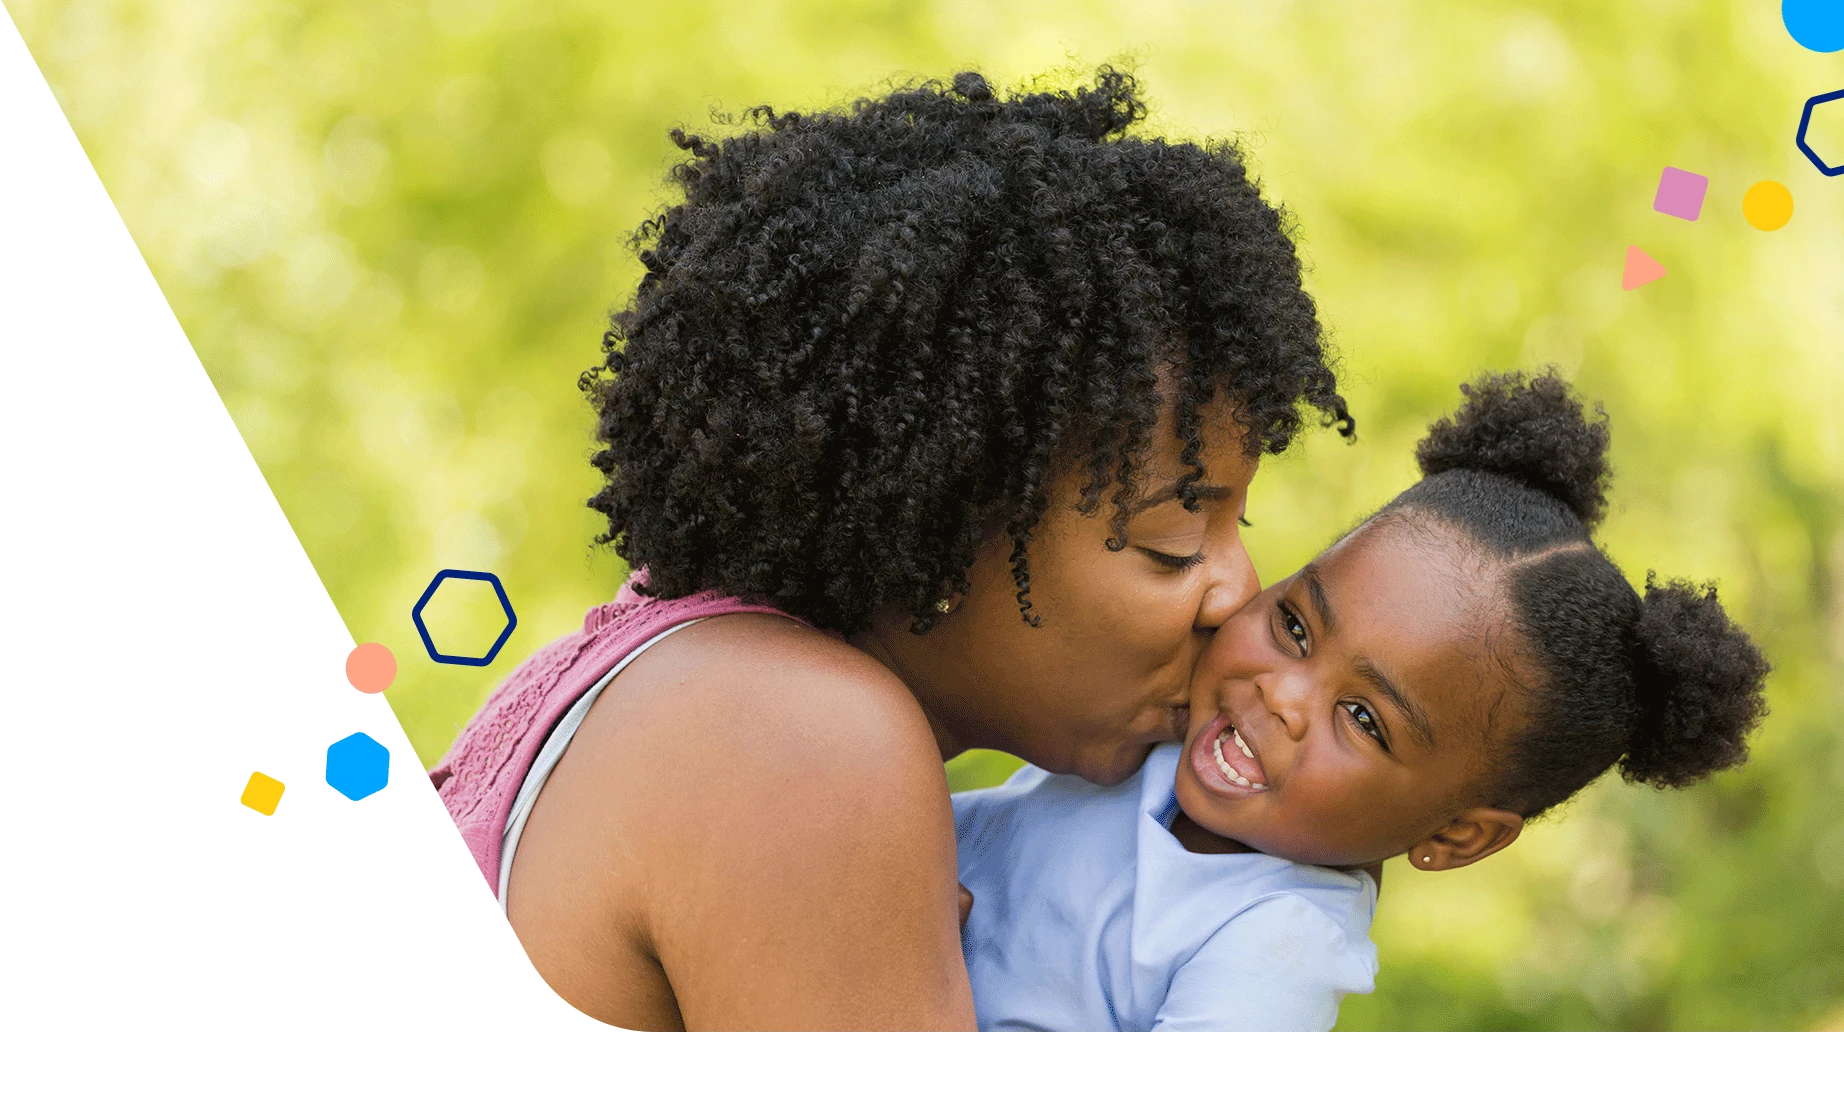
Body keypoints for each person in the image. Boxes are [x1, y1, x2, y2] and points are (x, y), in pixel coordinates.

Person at [431, 67, 1354, 1030]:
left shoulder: (665, 665)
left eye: (1235, 527)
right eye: (1172, 542)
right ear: (948, 523)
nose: (1238, 593)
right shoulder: (805, 746)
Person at [954, 370, 1769, 1030]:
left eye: (1365, 719)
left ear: (1456, 836)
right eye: (1298, 629)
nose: (1281, 697)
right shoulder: (1152, 730)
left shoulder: (1280, 941)